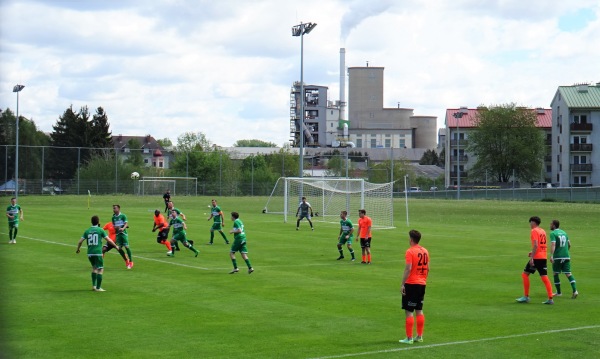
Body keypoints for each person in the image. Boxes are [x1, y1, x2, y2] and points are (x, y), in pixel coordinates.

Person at [399, 230, 430, 344]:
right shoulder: (425, 251)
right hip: (422, 283)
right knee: (419, 310)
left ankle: (409, 338)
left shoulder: (410, 251)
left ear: (411, 239)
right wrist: (423, 279)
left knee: (409, 311)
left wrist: (403, 284)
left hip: (412, 284)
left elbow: (408, 268)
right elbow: (428, 268)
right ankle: (419, 336)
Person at [516, 216, 554, 305]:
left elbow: (536, 245)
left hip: (536, 258)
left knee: (525, 274)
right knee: (544, 277)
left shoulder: (534, 231)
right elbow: (541, 245)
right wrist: (532, 252)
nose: (530, 224)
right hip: (543, 256)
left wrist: (532, 257)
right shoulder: (543, 231)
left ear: (533, 222)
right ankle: (550, 298)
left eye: (530, 222)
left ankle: (526, 296)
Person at [76, 215, 118, 292]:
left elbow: (80, 241)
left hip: (90, 253)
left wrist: (78, 249)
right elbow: (109, 240)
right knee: (100, 269)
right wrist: (116, 246)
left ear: (91, 222)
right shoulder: (100, 230)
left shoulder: (87, 231)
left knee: (94, 268)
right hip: (98, 253)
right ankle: (98, 288)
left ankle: (94, 286)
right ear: (98, 222)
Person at [550, 219, 578, 299]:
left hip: (558, 257)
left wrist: (551, 255)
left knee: (555, 273)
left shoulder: (553, 233)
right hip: (566, 256)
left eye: (551, 224)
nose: (550, 225)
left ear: (554, 225)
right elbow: (569, 244)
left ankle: (559, 292)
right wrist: (565, 251)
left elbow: (553, 244)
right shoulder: (564, 232)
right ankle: (575, 291)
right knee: (568, 273)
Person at [112, 204, 134, 269]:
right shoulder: (113, 218)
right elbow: (114, 226)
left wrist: (123, 228)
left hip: (123, 234)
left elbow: (126, 223)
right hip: (118, 235)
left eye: (115, 208)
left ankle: (131, 261)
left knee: (127, 247)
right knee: (119, 248)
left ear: (118, 209)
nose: (114, 210)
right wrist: (116, 227)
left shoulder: (123, 216)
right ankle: (126, 260)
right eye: (113, 208)